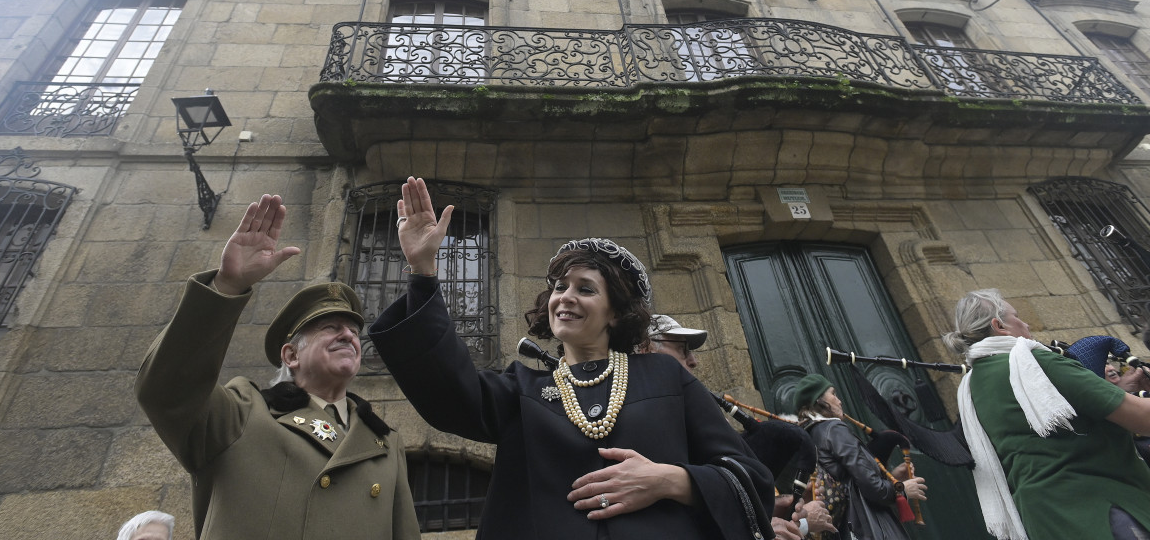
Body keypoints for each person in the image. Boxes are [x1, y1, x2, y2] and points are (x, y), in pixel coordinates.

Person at [369, 176, 776, 539]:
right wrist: (423, 272)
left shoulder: (665, 375)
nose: (565, 297)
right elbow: (448, 388)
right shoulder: (521, 390)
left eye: (585, 288)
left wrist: (669, 479)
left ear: (616, 312)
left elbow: (750, 478)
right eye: (560, 286)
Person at [136, 194, 420, 540]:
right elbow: (167, 389)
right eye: (329, 328)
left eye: (353, 330)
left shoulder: (386, 443)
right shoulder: (242, 414)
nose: (347, 335)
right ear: (290, 356)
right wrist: (227, 286)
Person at [944, 288, 1150, 540]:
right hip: (1101, 508)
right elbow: (1144, 419)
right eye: (1017, 316)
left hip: (1046, 520)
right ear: (999, 326)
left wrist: (1121, 392)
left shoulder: (972, 387)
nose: (1026, 324)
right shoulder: (1037, 363)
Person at [645, 313, 834, 540]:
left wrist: (774, 508)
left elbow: (716, 501)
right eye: (682, 349)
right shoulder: (648, 420)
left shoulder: (693, 412)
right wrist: (801, 525)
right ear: (647, 349)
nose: (693, 360)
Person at [793, 373, 926, 540]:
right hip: (868, 528)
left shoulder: (810, 436)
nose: (839, 401)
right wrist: (902, 490)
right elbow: (872, 488)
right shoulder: (834, 429)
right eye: (833, 394)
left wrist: (892, 477)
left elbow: (851, 481)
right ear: (820, 401)